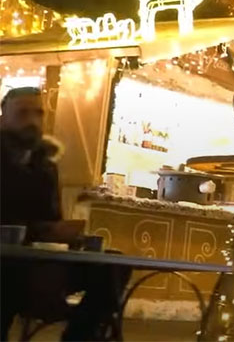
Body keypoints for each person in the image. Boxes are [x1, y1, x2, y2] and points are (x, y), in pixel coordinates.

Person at [0, 87, 129, 341]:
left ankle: (80, 334)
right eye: (22, 113)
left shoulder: (45, 167)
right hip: (7, 266)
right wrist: (41, 230)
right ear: (3, 118)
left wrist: (66, 235)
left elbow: (51, 218)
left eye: (38, 113)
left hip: (38, 264)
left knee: (113, 265)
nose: (32, 121)